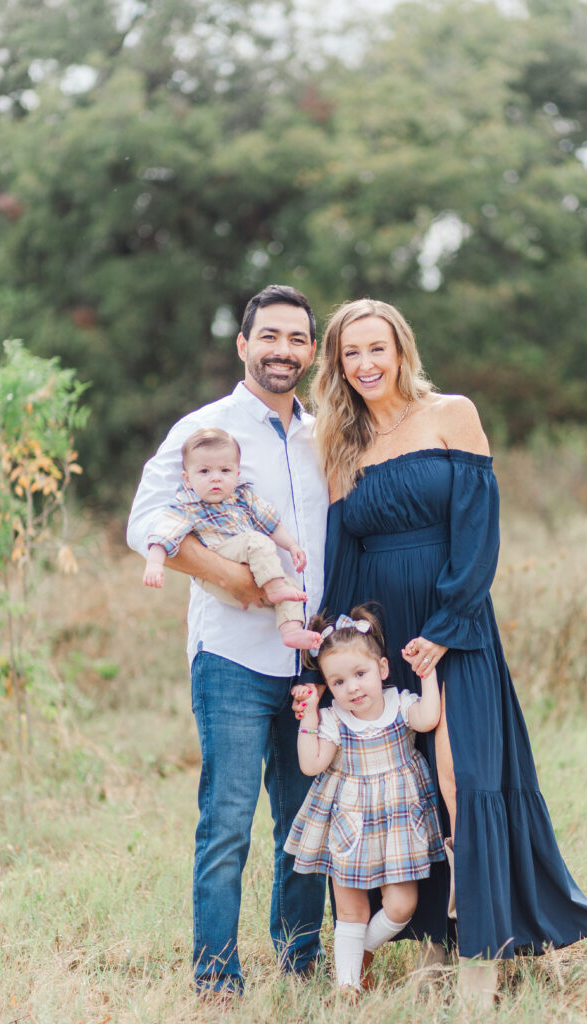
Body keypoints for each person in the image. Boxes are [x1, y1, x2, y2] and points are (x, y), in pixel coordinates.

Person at [304, 297, 587, 1006]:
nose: (366, 364)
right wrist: (329, 658)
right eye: (351, 353)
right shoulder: (339, 446)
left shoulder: (452, 413)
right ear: (337, 364)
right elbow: (341, 559)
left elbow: (478, 534)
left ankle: (483, 948)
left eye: (377, 348)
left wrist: (444, 626)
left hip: (453, 625)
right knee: (402, 790)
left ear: (401, 349)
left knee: (458, 781)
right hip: (383, 635)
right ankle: (428, 946)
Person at [127, 285, 328, 995]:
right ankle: (216, 979)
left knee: (307, 827)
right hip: (233, 661)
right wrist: (236, 583)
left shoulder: (323, 431)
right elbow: (144, 523)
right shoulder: (203, 427)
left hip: (313, 661)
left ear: (311, 349)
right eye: (268, 336)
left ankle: (300, 966)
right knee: (227, 826)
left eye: (297, 338)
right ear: (242, 345)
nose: (282, 350)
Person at [285, 605, 446, 994]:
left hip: (398, 820)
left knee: (401, 905)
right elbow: (311, 764)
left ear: (383, 669)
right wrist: (309, 717)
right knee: (350, 911)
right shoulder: (335, 720)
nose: (352, 688)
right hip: (350, 820)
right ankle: (346, 989)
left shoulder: (399, 703)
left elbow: (427, 719)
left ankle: (359, 955)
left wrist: (427, 675)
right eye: (338, 682)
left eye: (360, 674)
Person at [142, 426, 321, 650]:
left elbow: (271, 523)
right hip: (219, 562)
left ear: (237, 474)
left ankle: (291, 631)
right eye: (204, 472)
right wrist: (155, 563)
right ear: (187, 479)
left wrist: (292, 545)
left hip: (252, 568)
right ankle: (275, 590)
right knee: (256, 541)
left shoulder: (243, 496)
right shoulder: (187, 504)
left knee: (291, 586)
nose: (215, 478)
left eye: (224, 471)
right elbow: (163, 533)